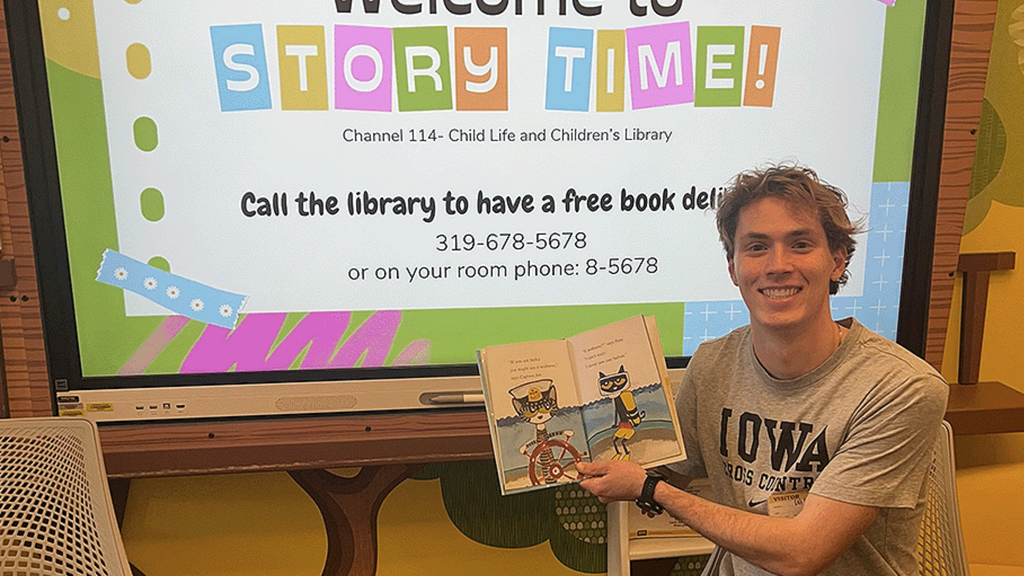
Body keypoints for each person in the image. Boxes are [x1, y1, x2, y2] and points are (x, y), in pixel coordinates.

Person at [578, 164, 948, 576]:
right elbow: (665, 472)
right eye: (756, 247)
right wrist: (582, 448)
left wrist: (651, 489)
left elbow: (802, 552)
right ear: (733, 268)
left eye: (800, 244)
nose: (778, 265)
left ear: (837, 260)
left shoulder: (902, 388)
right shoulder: (712, 365)